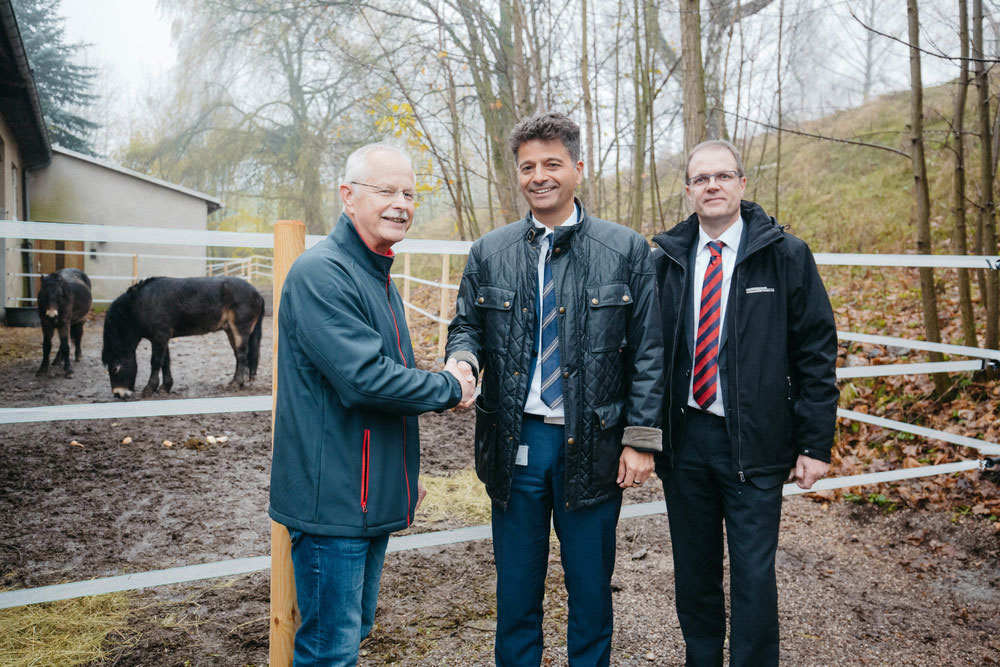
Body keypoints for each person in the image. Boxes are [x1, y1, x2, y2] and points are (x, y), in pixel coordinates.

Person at [446, 112, 664, 666]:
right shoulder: (489, 252)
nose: (539, 176)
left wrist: (640, 439)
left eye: (551, 164)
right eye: (527, 167)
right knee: (516, 592)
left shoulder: (625, 250)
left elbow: (650, 350)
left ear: (577, 169)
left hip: (594, 445)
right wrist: (462, 361)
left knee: (590, 593)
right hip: (515, 442)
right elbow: (467, 325)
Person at [269, 143, 475, 666]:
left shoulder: (374, 275)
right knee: (329, 650)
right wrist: (450, 387)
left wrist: (401, 478)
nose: (400, 204)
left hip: (362, 494)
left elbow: (384, 391)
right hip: (334, 503)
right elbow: (364, 381)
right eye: (386, 191)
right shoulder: (323, 274)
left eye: (409, 194)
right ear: (348, 196)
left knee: (351, 631)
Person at [651, 139, 838, 666]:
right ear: (688, 190)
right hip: (686, 441)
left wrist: (815, 443)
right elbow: (646, 355)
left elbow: (816, 353)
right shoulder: (666, 261)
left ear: (741, 184)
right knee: (694, 572)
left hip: (756, 440)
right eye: (701, 178)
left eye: (723, 176)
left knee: (754, 575)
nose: (712, 186)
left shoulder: (786, 256)